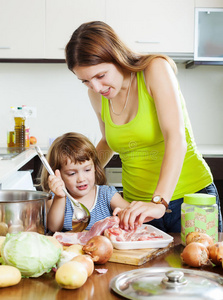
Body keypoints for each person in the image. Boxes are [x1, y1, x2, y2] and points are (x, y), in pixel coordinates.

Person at [65, 21, 222, 233]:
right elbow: (107, 142)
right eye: (85, 81)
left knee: (201, 264)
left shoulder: (154, 69)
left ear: (117, 57)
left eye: (101, 76)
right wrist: (76, 176)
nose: (96, 87)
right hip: (136, 209)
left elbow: (175, 138)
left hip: (189, 200)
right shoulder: (96, 94)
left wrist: (159, 202)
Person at [41, 132, 137, 232]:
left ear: (95, 167)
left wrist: (125, 215)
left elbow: (134, 215)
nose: (81, 179)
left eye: (87, 170)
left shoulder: (106, 194)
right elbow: (53, 228)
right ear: (58, 175)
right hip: (69, 247)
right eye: (72, 173)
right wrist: (60, 197)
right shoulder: (56, 197)